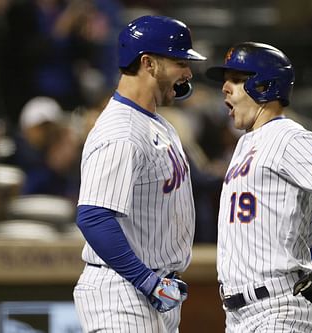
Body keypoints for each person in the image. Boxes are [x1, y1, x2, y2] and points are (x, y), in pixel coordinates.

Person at [205, 42, 312, 332]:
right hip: (240, 314)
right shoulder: (246, 143)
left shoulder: (289, 137)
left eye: (236, 79)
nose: (225, 88)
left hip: (279, 309)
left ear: (264, 85)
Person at [72, 15, 206, 332]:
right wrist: (146, 280)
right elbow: (93, 216)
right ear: (148, 63)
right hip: (123, 290)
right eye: (178, 62)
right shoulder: (121, 130)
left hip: (151, 290)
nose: (187, 72)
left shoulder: (157, 124)